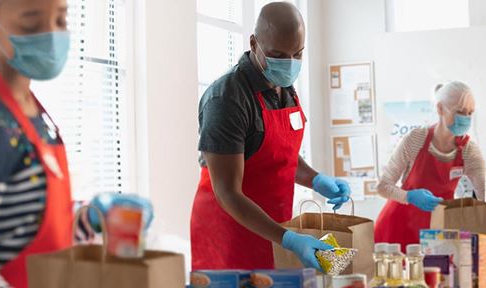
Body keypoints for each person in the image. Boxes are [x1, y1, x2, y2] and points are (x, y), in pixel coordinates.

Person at [0, 1, 152, 287]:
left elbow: (22, 225)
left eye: (61, 21)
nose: (50, 35)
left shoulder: (36, 114)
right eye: (30, 21)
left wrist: (91, 216)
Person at [191, 2, 352, 271]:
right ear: (254, 43)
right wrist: (287, 239)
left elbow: (280, 156)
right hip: (230, 239)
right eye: (278, 55)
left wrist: (316, 179)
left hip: (275, 230)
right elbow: (227, 192)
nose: (289, 65)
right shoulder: (227, 99)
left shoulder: (284, 88)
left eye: (297, 54)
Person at [375, 81, 485, 251]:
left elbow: (484, 193)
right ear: (441, 109)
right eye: (460, 112)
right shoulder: (416, 139)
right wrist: (409, 197)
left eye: (470, 113)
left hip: (437, 233)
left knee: (439, 276)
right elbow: (383, 186)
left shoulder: (468, 151)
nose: (466, 118)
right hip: (397, 229)